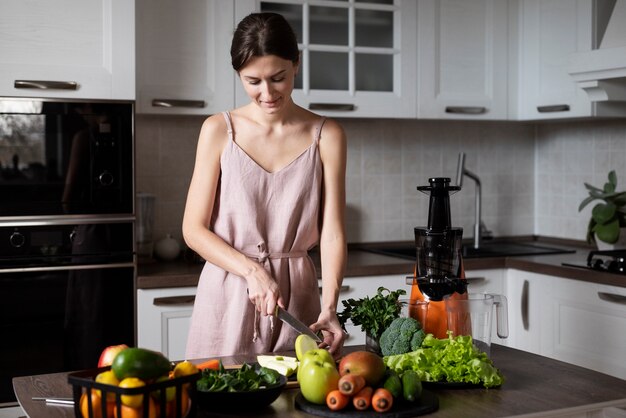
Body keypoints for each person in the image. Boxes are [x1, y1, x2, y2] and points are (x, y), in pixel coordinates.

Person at [182, 12, 347, 360]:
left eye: (278, 78)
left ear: (296, 65)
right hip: (228, 293)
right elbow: (193, 230)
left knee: (295, 406)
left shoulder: (327, 135)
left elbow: (331, 232)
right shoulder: (217, 130)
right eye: (252, 81)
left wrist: (330, 306)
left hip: (298, 298)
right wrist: (252, 270)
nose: (267, 93)